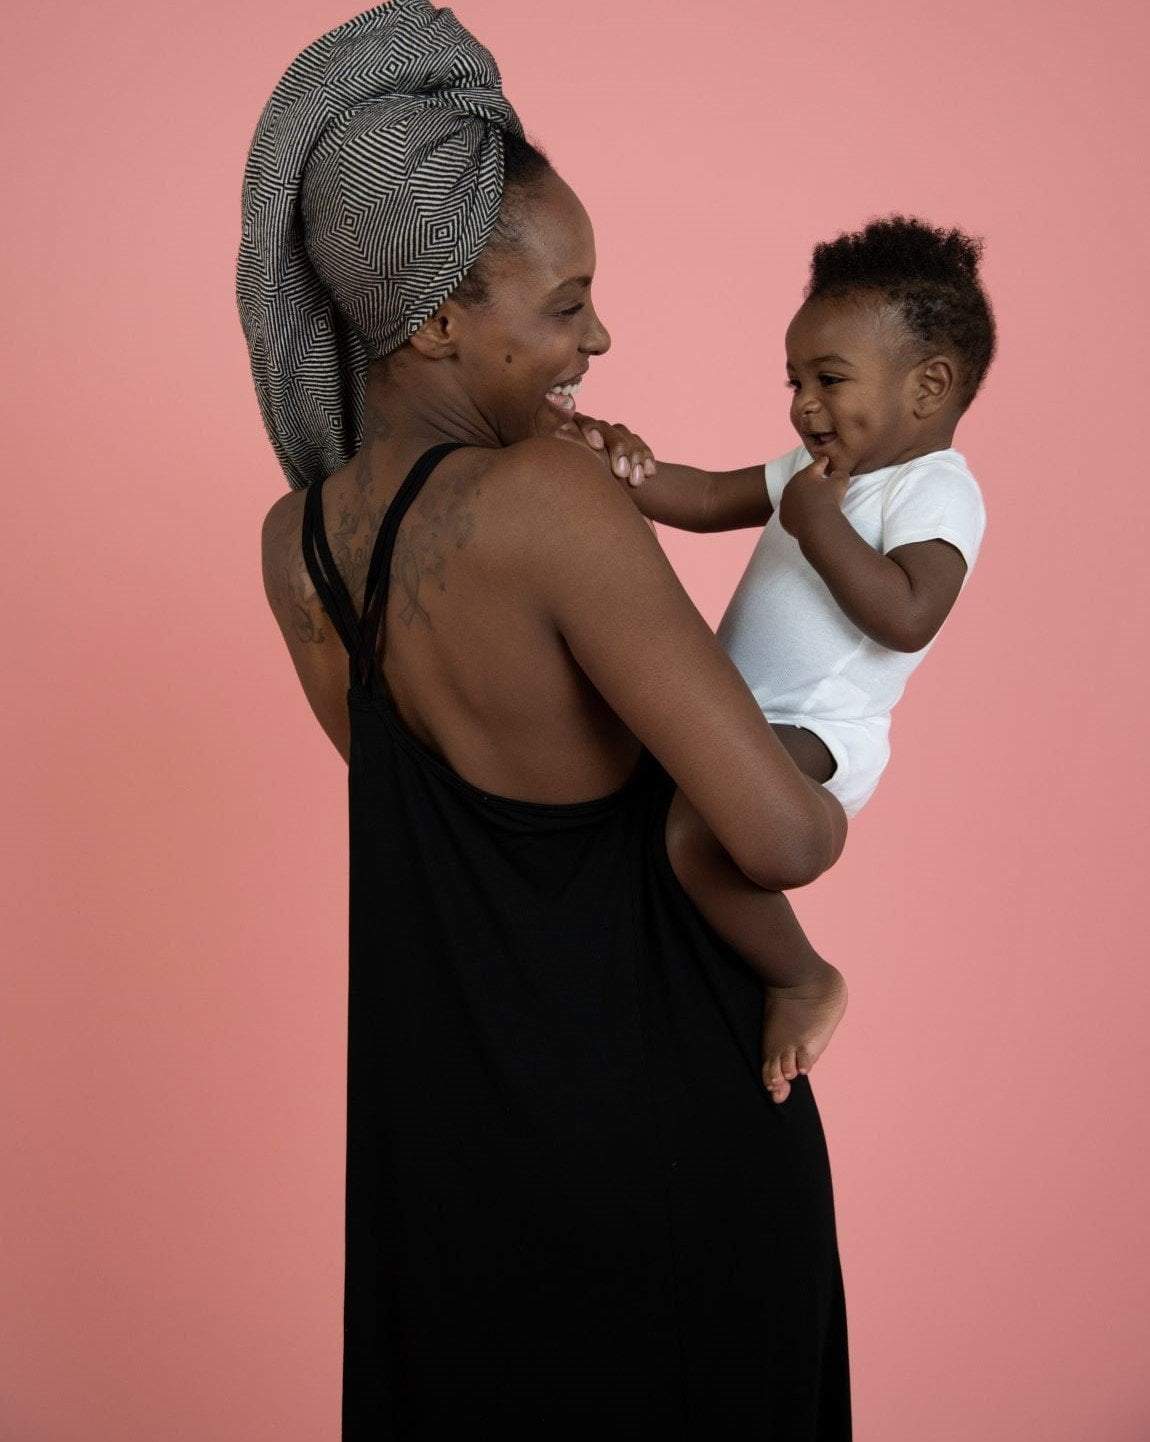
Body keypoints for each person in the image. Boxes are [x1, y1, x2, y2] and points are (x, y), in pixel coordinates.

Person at [239, 2, 851, 1434]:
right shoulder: (552, 503)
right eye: (566, 305)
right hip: (666, 1148)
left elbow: (452, 827)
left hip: (452, 1181)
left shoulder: (294, 542)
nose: (599, 335)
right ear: (438, 319)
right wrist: (843, 738)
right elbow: (775, 835)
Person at [557, 217, 993, 1102]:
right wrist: (615, 462)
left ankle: (802, 977)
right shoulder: (815, 469)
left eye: (830, 379)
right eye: (796, 381)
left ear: (929, 386)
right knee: (636, 801)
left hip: (819, 733)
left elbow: (909, 615)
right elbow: (706, 497)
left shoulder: (935, 489)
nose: (804, 404)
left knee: (695, 831)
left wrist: (820, 523)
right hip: (739, 715)